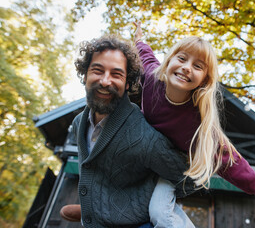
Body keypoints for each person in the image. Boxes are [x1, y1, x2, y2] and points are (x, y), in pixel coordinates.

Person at [132, 21, 255, 228]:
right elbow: (145, 54)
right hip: (142, 156)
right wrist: (139, 38)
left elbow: (228, 159)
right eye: (182, 59)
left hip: (170, 166)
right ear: (169, 61)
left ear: (204, 79)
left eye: (197, 66)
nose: (186, 68)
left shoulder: (197, 121)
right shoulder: (151, 78)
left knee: (159, 213)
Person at [60, 35, 195, 227]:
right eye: (97, 70)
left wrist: (152, 207)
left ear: (128, 83)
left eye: (116, 74)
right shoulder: (77, 123)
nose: (105, 81)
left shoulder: (142, 134)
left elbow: (188, 177)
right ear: (85, 75)